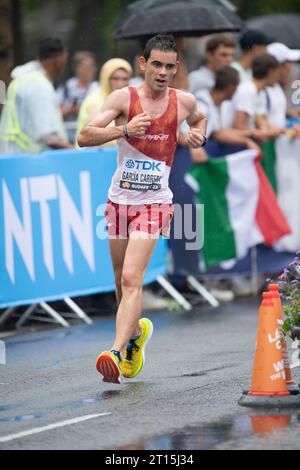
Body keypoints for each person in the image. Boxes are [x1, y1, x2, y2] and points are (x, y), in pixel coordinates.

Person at [78, 34, 207, 384]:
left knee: (133, 277)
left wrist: (198, 136)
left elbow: (200, 119)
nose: (163, 72)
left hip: (155, 202)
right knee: (120, 279)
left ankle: (116, 352)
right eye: (156, 65)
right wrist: (122, 129)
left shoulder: (184, 101)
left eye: (169, 66)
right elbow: (83, 135)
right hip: (119, 200)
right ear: (142, 64)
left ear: (176, 68)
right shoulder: (124, 98)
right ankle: (136, 336)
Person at [0, 38, 71, 155]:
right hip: (30, 162)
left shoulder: (22, 80)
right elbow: (49, 137)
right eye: (65, 58)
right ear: (58, 59)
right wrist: (77, 153)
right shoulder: (39, 86)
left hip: (12, 158)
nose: (65, 63)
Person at [76, 58, 132, 141]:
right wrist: (127, 130)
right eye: (115, 78)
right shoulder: (94, 101)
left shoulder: (132, 98)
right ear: (106, 78)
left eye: (125, 79)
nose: (120, 84)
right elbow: (91, 136)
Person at [257, 42, 300, 135]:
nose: (290, 67)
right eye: (287, 63)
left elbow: (276, 116)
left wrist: (289, 114)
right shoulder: (261, 89)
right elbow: (259, 120)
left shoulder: (276, 87)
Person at [57, 51, 98, 143]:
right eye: (84, 66)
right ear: (76, 68)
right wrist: (70, 110)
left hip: (90, 139)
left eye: (91, 66)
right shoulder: (65, 87)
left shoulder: (98, 88)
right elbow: (54, 113)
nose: (88, 70)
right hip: (66, 138)